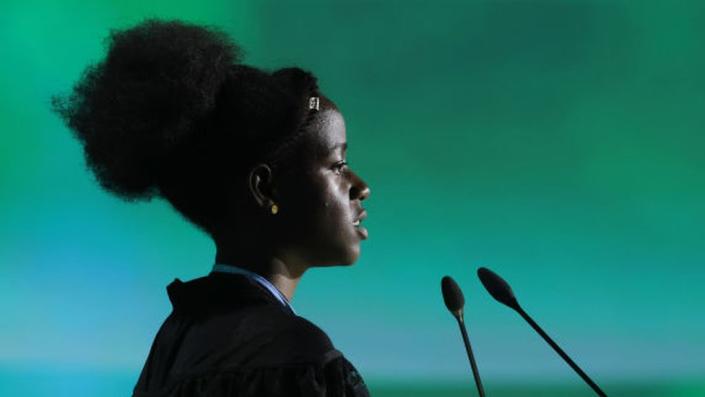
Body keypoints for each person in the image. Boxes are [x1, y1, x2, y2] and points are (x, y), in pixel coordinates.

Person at [53, 19, 371, 397]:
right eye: (337, 165)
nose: (361, 187)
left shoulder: (175, 340)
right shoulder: (301, 361)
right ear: (265, 187)